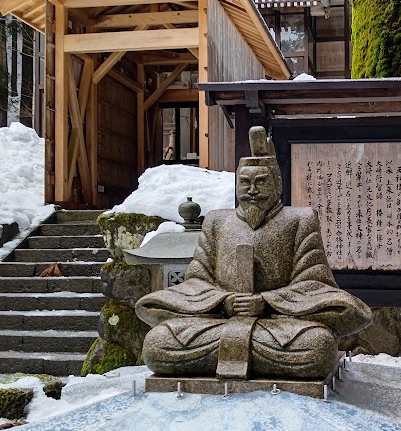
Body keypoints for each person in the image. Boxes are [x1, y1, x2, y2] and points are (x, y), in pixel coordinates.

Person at [135, 126, 371, 380]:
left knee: (318, 346)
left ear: (277, 184)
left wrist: (266, 302)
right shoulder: (216, 221)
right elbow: (197, 281)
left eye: (261, 182)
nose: (252, 190)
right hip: (219, 323)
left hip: (277, 327)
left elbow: (313, 282)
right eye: (245, 183)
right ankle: (243, 356)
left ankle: (228, 356)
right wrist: (223, 302)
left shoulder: (299, 220)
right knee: (157, 343)